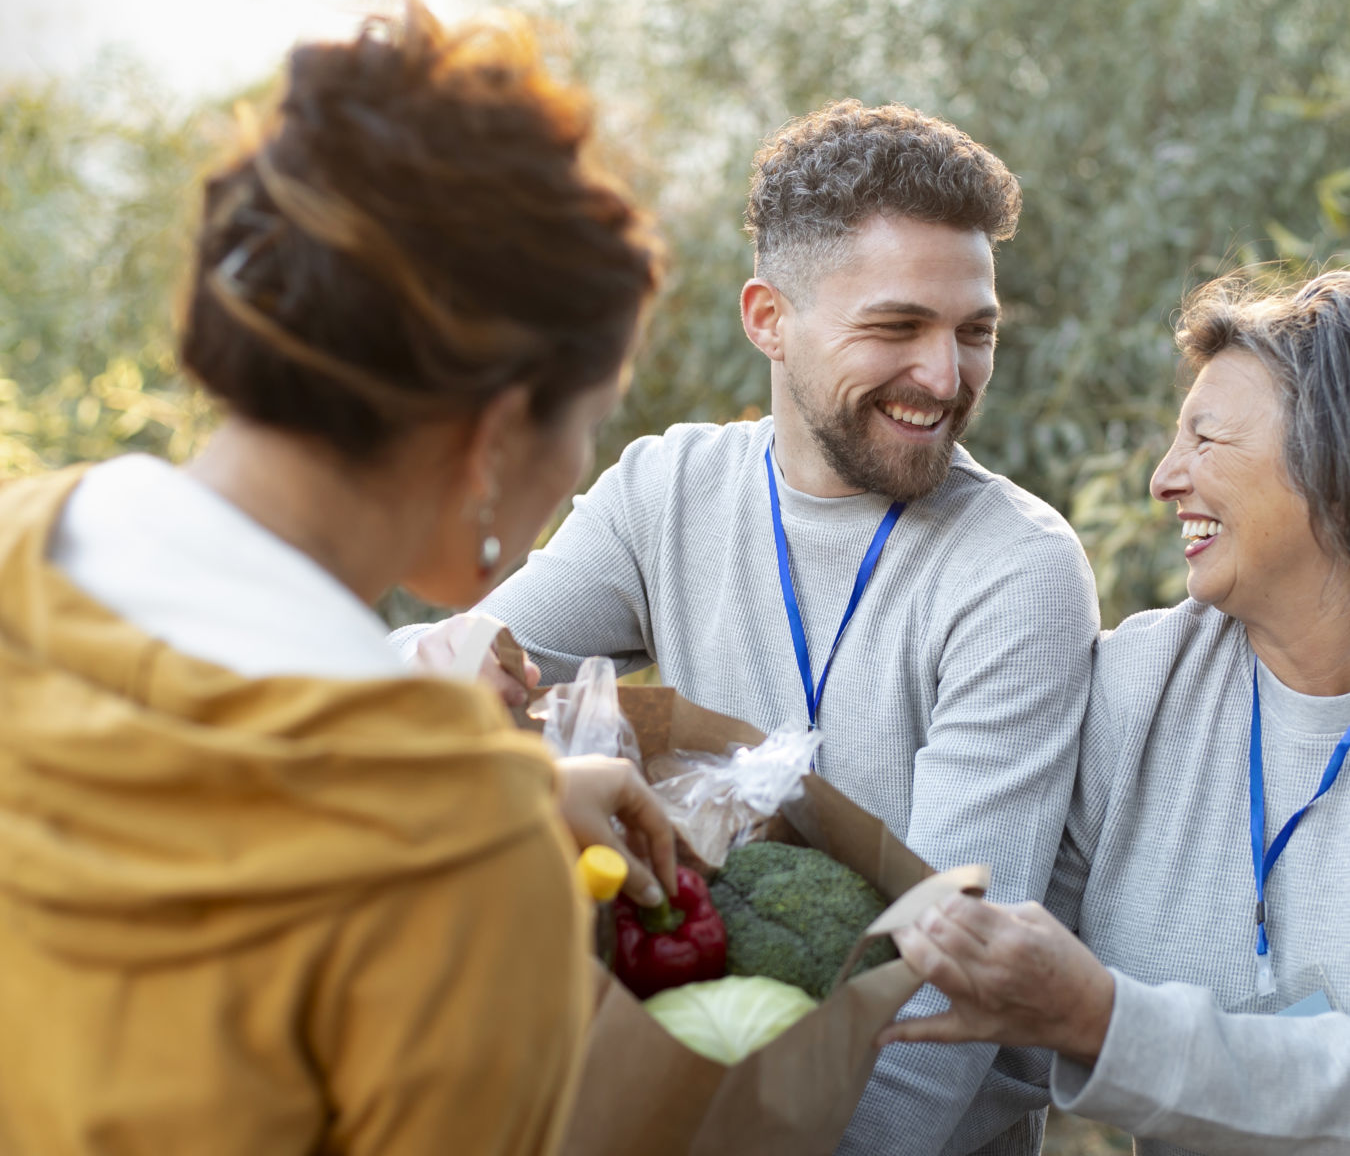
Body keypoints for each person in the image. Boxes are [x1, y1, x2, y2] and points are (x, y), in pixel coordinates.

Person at [0, 5, 674, 1156]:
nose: (576, 473)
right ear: (498, 431)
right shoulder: (448, 849)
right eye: (590, 423)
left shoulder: (25, 538)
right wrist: (479, 821)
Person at [401, 100, 1100, 1154]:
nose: (946, 378)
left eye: (974, 332)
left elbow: (939, 1001)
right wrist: (450, 677)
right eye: (897, 327)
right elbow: (448, 679)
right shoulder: (666, 489)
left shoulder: (1015, 569)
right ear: (769, 317)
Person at [883, 269, 1350, 1154]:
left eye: (1205, 440)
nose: (1164, 480)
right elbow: (992, 1029)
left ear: (1335, 462)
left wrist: (1104, 1021)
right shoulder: (1138, 690)